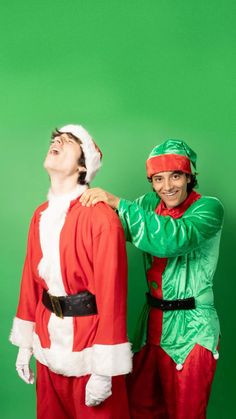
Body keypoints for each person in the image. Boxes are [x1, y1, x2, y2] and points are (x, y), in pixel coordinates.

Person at [79, 139, 224, 419]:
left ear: (189, 176)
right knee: (139, 408)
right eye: (158, 179)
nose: (167, 186)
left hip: (193, 330)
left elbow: (172, 238)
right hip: (151, 325)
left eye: (176, 176)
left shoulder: (209, 209)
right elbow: (111, 228)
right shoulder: (147, 205)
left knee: (186, 413)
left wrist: (117, 202)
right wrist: (76, 201)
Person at [10, 124, 132, 419]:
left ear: (83, 164)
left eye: (70, 141)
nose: (58, 141)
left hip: (90, 350)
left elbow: (112, 295)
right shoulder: (40, 214)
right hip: (47, 343)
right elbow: (30, 282)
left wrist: (105, 371)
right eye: (56, 138)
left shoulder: (101, 218)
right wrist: (25, 345)